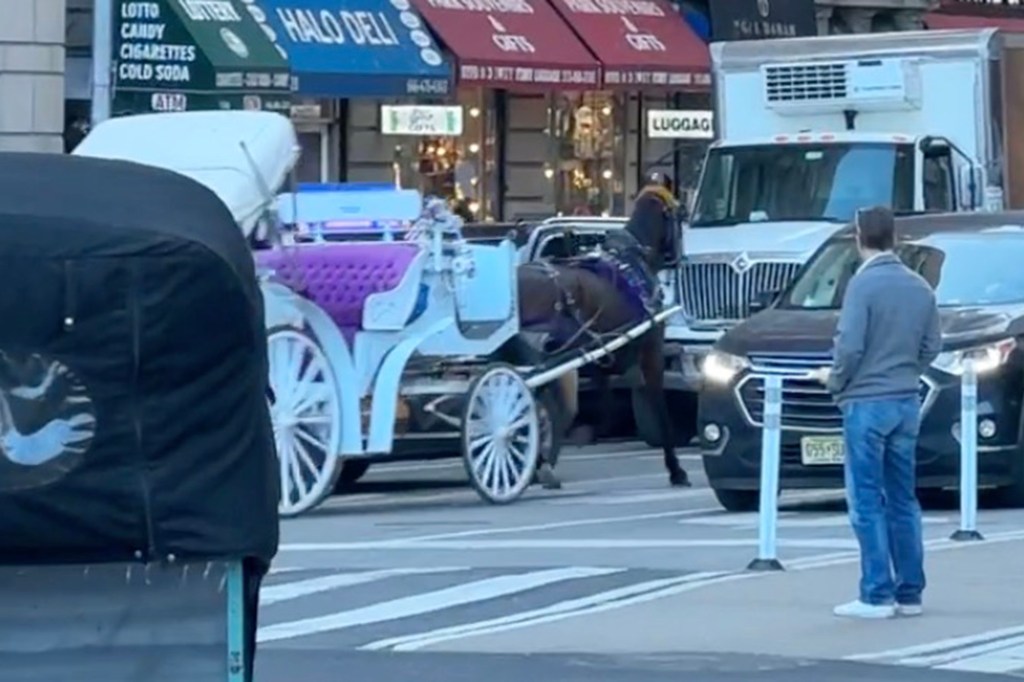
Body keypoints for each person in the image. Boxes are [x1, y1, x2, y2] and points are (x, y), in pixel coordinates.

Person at [810, 205, 942, 620]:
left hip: (866, 401)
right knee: (903, 499)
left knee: (866, 499)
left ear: (858, 238)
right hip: (905, 400)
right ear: (895, 239)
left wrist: (833, 379)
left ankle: (875, 593)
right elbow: (932, 345)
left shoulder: (862, 287)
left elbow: (848, 347)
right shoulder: (919, 286)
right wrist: (907, 371)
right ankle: (910, 592)